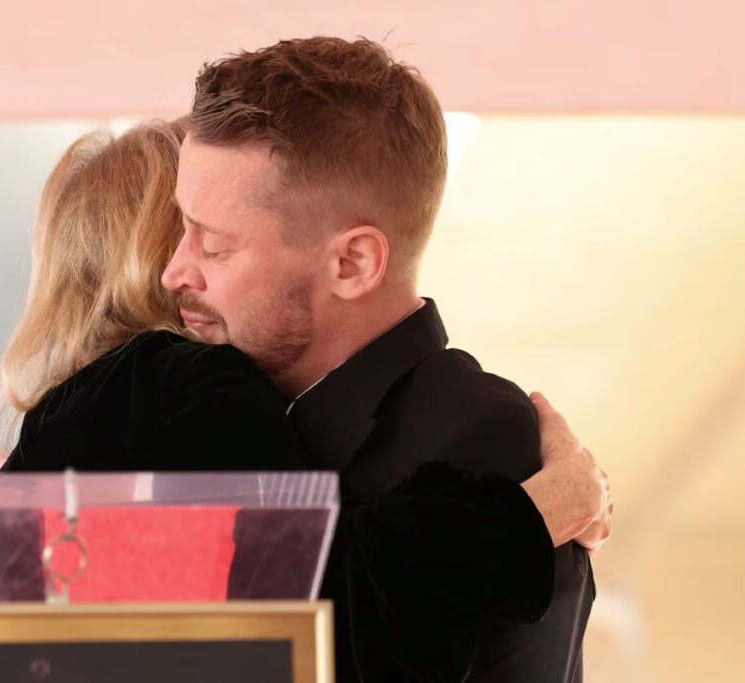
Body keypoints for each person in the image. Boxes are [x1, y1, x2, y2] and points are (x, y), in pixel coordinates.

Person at [0, 112, 611, 675]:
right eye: (205, 228)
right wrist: (544, 509)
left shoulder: (54, 430)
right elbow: (331, 612)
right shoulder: (180, 383)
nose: (199, 257)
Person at [161, 36, 604, 681]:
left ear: (353, 263)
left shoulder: (479, 437)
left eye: (213, 245)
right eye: (182, 227)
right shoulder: (216, 402)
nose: (175, 271)